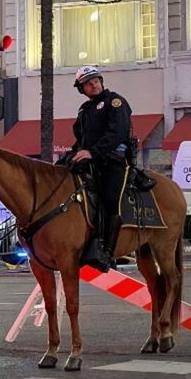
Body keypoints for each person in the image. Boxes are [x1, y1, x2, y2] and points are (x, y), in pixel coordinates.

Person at [68, 65, 132, 272]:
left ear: (101, 81)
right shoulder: (84, 110)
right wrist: (72, 155)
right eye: (88, 83)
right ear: (82, 89)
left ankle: (107, 252)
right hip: (91, 161)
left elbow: (118, 133)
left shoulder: (115, 102)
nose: (93, 84)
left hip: (113, 161)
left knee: (110, 200)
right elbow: (81, 140)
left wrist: (93, 152)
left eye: (95, 80)